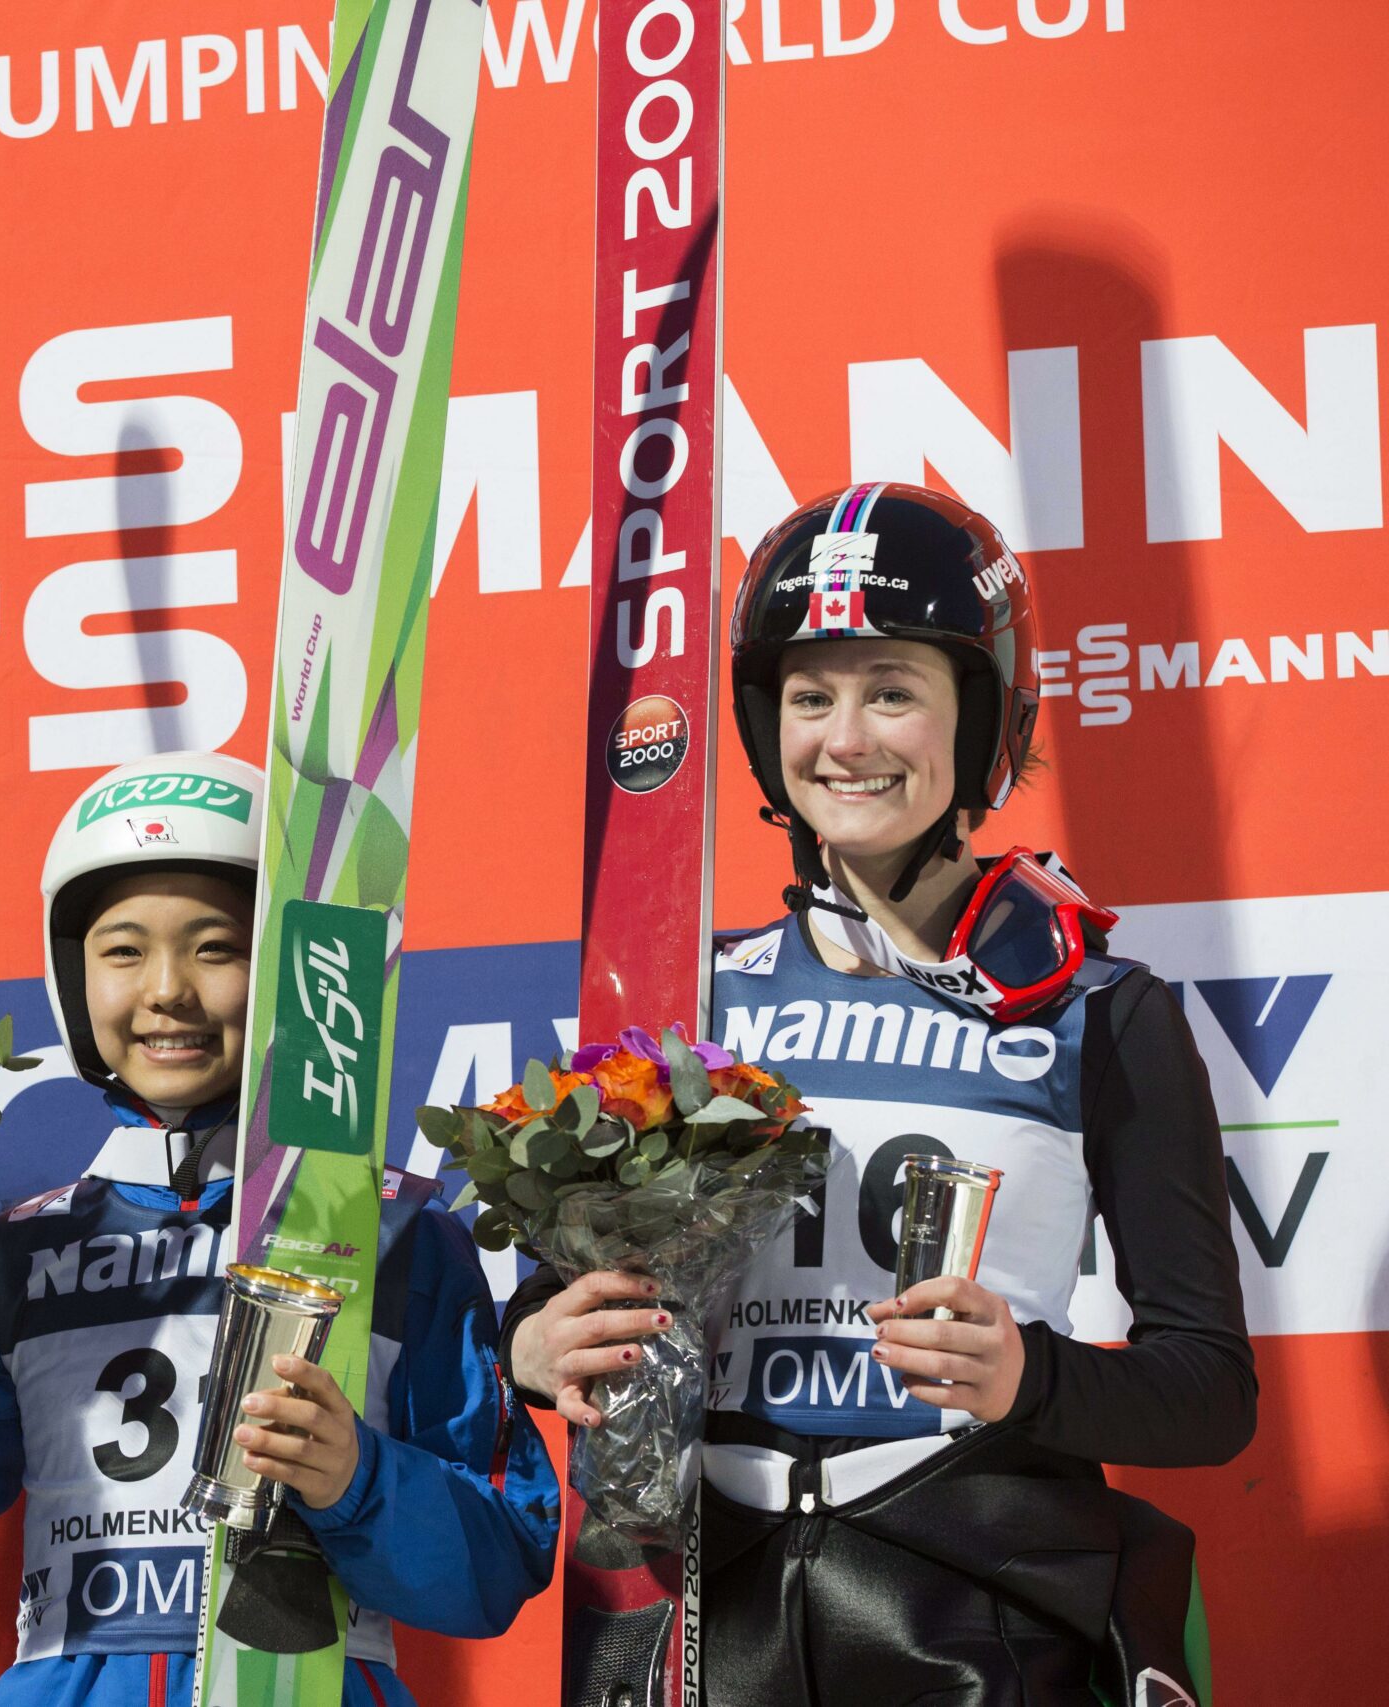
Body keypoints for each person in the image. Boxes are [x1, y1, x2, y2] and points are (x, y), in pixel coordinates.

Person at [504, 482, 1256, 1706]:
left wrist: (1030, 1381)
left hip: (971, 1616)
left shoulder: (1102, 1010)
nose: (844, 738)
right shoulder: (677, 1002)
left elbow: (1209, 1396)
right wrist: (533, 1350)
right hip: (707, 1616)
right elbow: (557, 1309)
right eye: (810, 695)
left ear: (983, 718)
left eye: (892, 690)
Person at [0, 751, 560, 1707]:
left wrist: (356, 1476)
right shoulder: (8, 1262)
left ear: (282, 965)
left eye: (215, 946)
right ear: (74, 977)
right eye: (123, 949)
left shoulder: (400, 1239)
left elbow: (496, 1567)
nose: (167, 989)